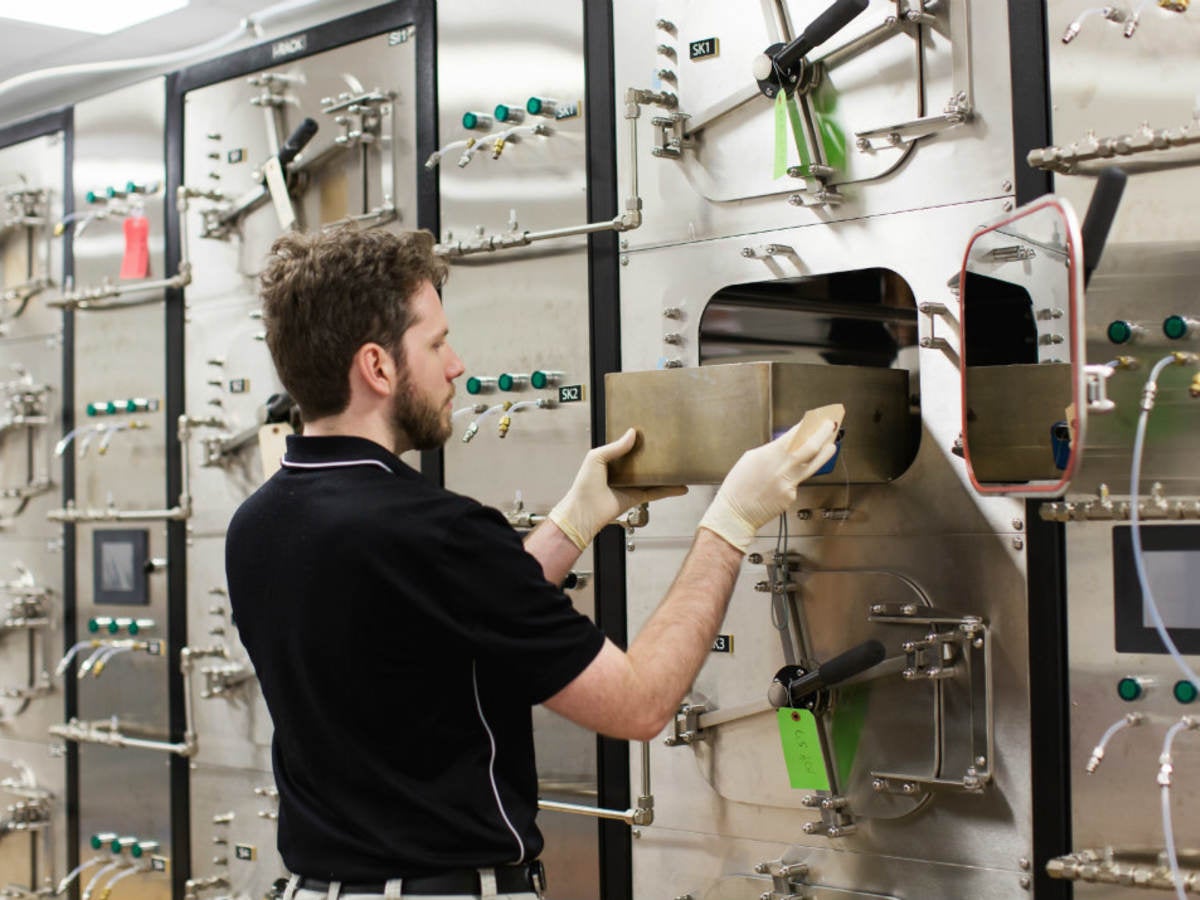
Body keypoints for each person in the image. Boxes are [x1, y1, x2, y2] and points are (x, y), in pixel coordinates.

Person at [224, 225, 838, 900]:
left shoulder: (258, 525)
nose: (456, 365)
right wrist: (730, 519)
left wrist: (575, 520)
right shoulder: (433, 532)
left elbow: (433, 623)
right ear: (377, 367)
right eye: (434, 344)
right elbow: (639, 706)